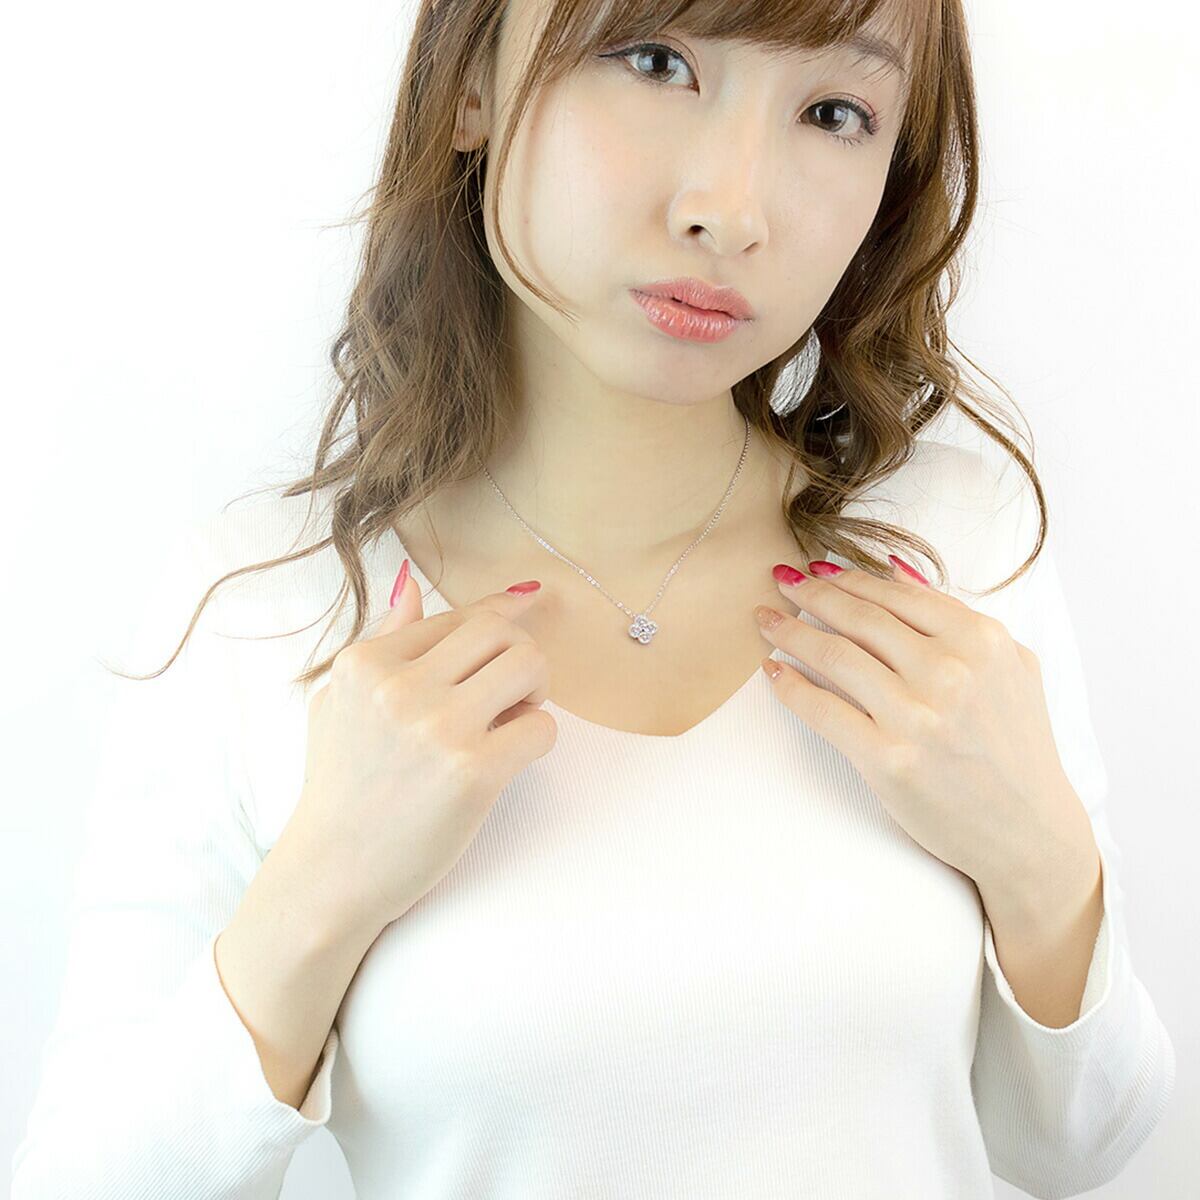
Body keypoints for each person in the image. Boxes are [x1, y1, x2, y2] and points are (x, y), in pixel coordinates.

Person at [12, 0, 1176, 1197]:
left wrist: (1039, 860)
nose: (732, 209)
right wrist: (318, 894)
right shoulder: (271, 611)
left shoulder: (952, 550)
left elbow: (1080, 1148)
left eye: (835, 112)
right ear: (471, 82)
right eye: (655, 60)